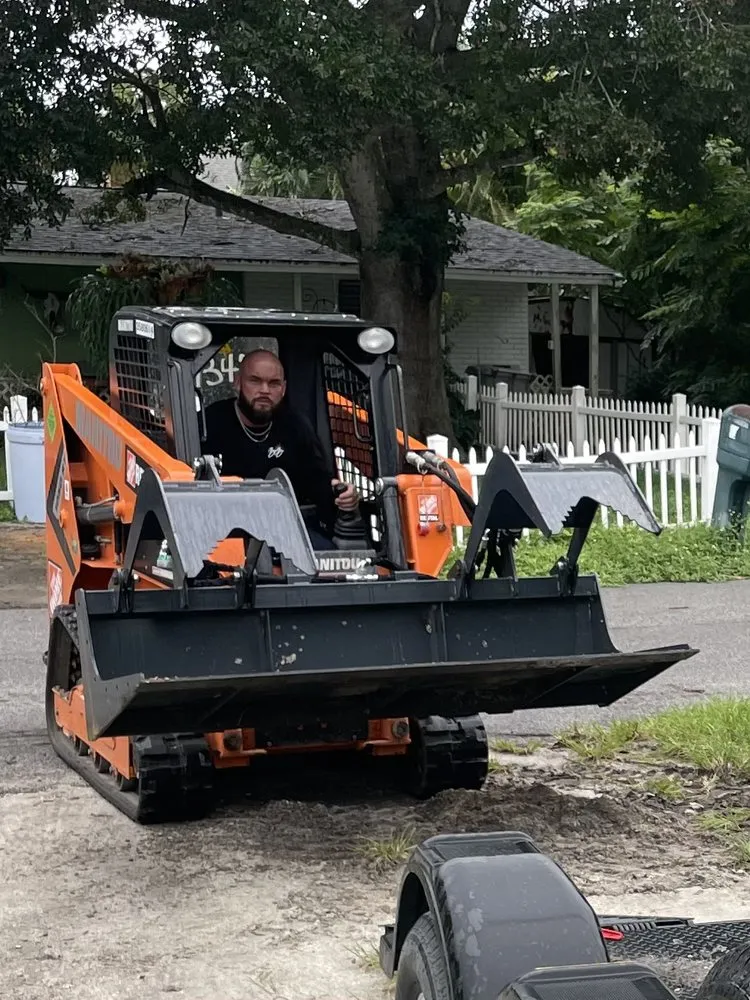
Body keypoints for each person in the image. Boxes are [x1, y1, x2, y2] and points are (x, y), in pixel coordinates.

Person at [202, 350, 359, 549]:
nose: (264, 390)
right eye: (255, 381)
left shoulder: (296, 425)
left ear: (283, 389)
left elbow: (317, 479)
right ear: (238, 382)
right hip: (225, 531)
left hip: (287, 527)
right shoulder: (209, 423)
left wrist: (343, 494)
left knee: (327, 557)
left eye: (274, 383)